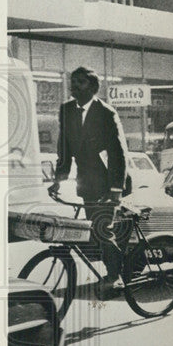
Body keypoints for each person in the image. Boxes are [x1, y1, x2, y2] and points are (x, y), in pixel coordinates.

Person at [49, 67, 130, 294]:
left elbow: (117, 153)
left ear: (93, 88)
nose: (73, 86)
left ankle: (115, 277)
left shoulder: (106, 113)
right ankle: (113, 264)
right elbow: (64, 149)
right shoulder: (66, 110)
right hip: (87, 183)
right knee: (93, 233)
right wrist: (58, 180)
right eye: (72, 81)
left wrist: (116, 190)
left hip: (109, 183)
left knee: (102, 230)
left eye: (80, 82)